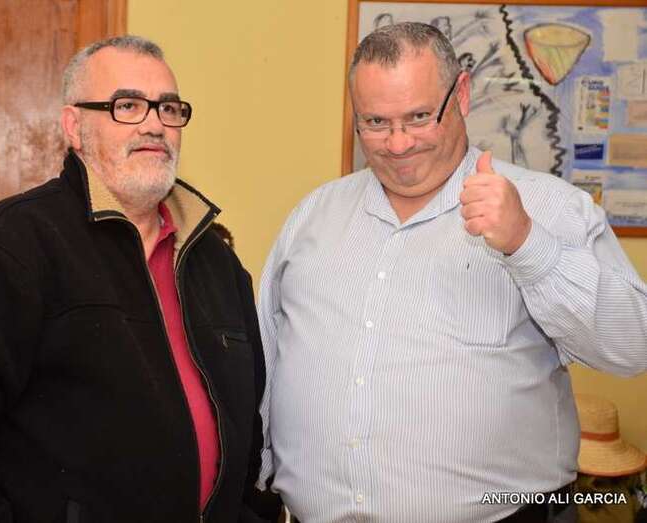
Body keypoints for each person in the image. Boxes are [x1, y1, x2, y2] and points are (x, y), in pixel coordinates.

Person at [257, 22, 647, 523]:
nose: (398, 144)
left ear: (461, 95)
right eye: (375, 122)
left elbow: (633, 347)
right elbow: (264, 360)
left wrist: (529, 244)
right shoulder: (313, 216)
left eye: (419, 117)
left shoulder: (549, 208)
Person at [0, 35, 278, 523]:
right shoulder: (6, 249)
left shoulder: (217, 264)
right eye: (127, 106)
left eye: (168, 108)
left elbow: (245, 433)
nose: (155, 124)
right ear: (74, 126)